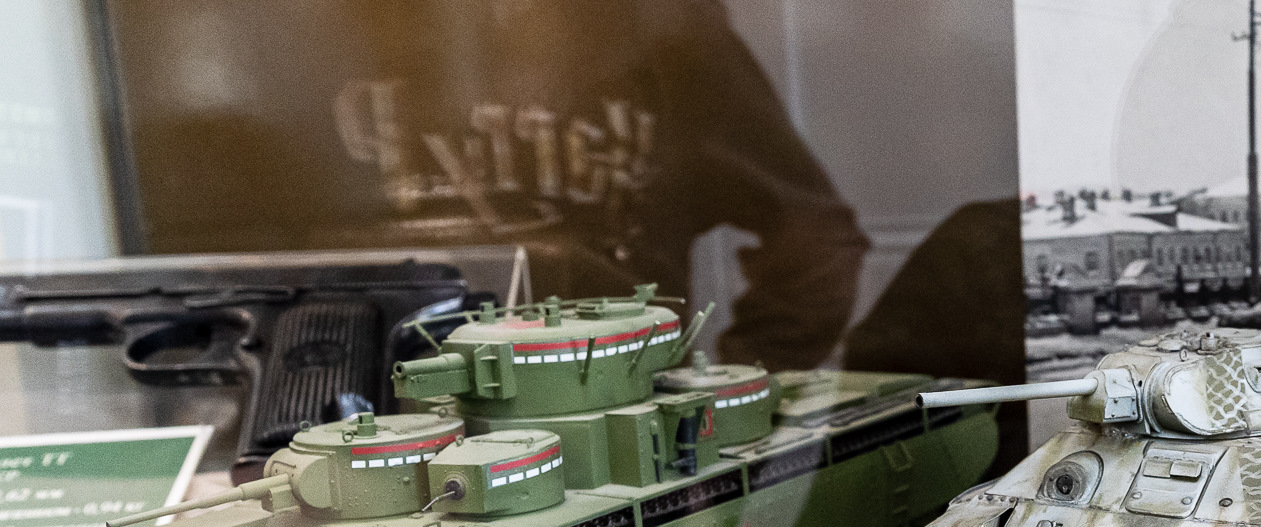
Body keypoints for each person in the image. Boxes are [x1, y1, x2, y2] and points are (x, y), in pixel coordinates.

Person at [105, 0, 868, 371]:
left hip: (604, 417)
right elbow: (222, 259)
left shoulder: (659, 29)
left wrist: (732, 392)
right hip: (349, 424)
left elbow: (814, 238)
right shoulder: (286, 27)